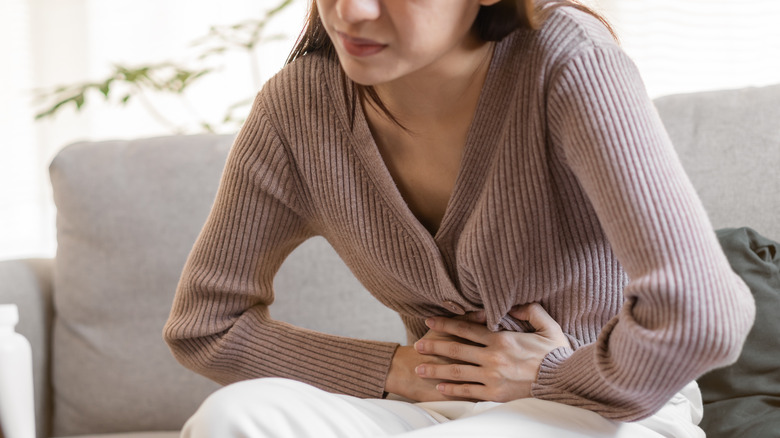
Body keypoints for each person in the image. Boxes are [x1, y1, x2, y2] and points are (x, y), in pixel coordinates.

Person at [163, 0, 756, 436]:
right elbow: (205, 325)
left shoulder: (568, 64)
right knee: (234, 420)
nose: (349, 10)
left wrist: (553, 376)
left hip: (615, 411)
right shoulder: (297, 110)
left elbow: (704, 313)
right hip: (440, 412)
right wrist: (397, 367)